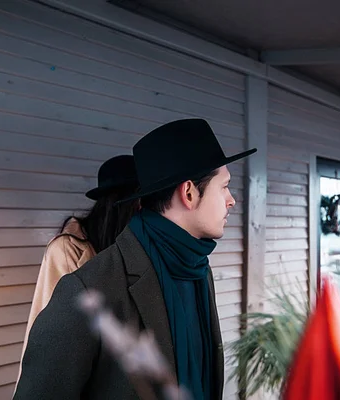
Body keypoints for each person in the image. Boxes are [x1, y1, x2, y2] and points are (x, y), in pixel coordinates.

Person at [14, 119, 257, 400]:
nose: (231, 200)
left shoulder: (197, 268)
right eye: (224, 186)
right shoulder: (86, 289)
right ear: (189, 192)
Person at [16, 154, 139, 378]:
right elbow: (50, 333)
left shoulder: (133, 245)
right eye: (142, 200)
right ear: (126, 203)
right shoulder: (67, 250)